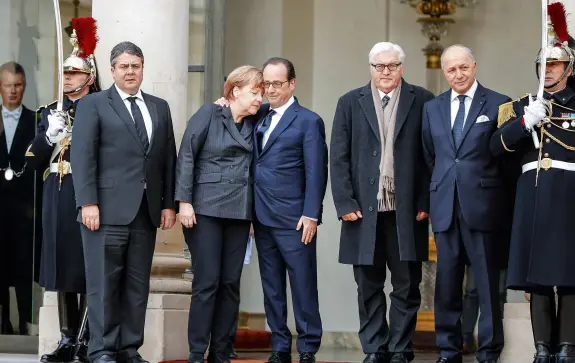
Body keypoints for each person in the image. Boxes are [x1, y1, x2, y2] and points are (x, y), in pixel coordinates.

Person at [70, 41, 177, 363]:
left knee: (136, 285)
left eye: (136, 65)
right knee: (103, 285)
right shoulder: (94, 105)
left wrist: (168, 203)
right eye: (124, 66)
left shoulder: (159, 107)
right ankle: (102, 350)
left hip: (145, 213)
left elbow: (168, 158)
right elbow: (83, 155)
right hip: (104, 212)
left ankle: (129, 349)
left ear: (142, 68)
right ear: (113, 70)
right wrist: (87, 202)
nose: (131, 71)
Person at [331, 42, 434, 363]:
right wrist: (344, 201)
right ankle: (375, 349)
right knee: (368, 286)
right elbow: (338, 156)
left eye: (391, 66)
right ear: (370, 68)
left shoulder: (423, 101)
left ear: (402, 67)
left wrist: (425, 200)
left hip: (407, 212)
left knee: (406, 286)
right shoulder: (349, 102)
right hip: (362, 212)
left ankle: (401, 350)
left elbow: (432, 156)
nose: (385, 72)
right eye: (379, 66)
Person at [490, 3, 575, 362]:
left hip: (570, 195)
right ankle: (542, 347)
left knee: (570, 275)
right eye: (544, 65)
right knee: (538, 276)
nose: (549, 70)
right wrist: (525, 122)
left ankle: (568, 346)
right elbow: (495, 147)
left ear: (569, 69)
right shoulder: (522, 106)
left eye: (555, 64)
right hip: (535, 195)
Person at [421, 44, 512, 363]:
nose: (458, 74)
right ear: (444, 72)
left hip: (485, 205)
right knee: (446, 283)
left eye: (463, 67)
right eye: (451, 69)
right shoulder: (432, 108)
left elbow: (505, 159)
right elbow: (430, 156)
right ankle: (448, 348)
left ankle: (488, 350)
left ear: (474, 66)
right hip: (445, 205)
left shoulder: (500, 103)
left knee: (487, 284)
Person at [25, 17, 101, 363]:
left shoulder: (101, 109)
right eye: (65, 73)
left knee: (83, 268)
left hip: (85, 195)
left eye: (73, 73)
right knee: (61, 270)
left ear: (90, 77)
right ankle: (68, 339)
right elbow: (33, 161)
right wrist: (48, 137)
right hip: (57, 194)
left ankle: (85, 340)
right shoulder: (49, 112)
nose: (66, 78)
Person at [176, 65, 263, 363]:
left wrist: (252, 215)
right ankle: (197, 352)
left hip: (240, 212)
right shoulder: (209, 114)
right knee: (207, 281)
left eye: (262, 93)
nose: (259, 99)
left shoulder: (256, 120)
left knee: (230, 283)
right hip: (205, 209)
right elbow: (187, 153)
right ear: (235, 90)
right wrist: (184, 201)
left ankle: (221, 352)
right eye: (254, 92)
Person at [251, 57, 327, 363]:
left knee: (303, 284)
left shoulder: (308, 120)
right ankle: (280, 346)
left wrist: (311, 214)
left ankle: (308, 347)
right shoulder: (258, 116)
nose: (270, 89)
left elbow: (316, 171)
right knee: (271, 286)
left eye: (277, 83)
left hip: (295, 219)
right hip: (261, 216)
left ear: (292, 83)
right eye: (266, 83)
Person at [0, 61, 41, 336]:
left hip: (26, 210)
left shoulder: (36, 121)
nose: (13, 91)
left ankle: (27, 321)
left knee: (24, 268)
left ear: (24, 87)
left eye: (18, 85)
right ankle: (3, 323)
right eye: (7, 85)